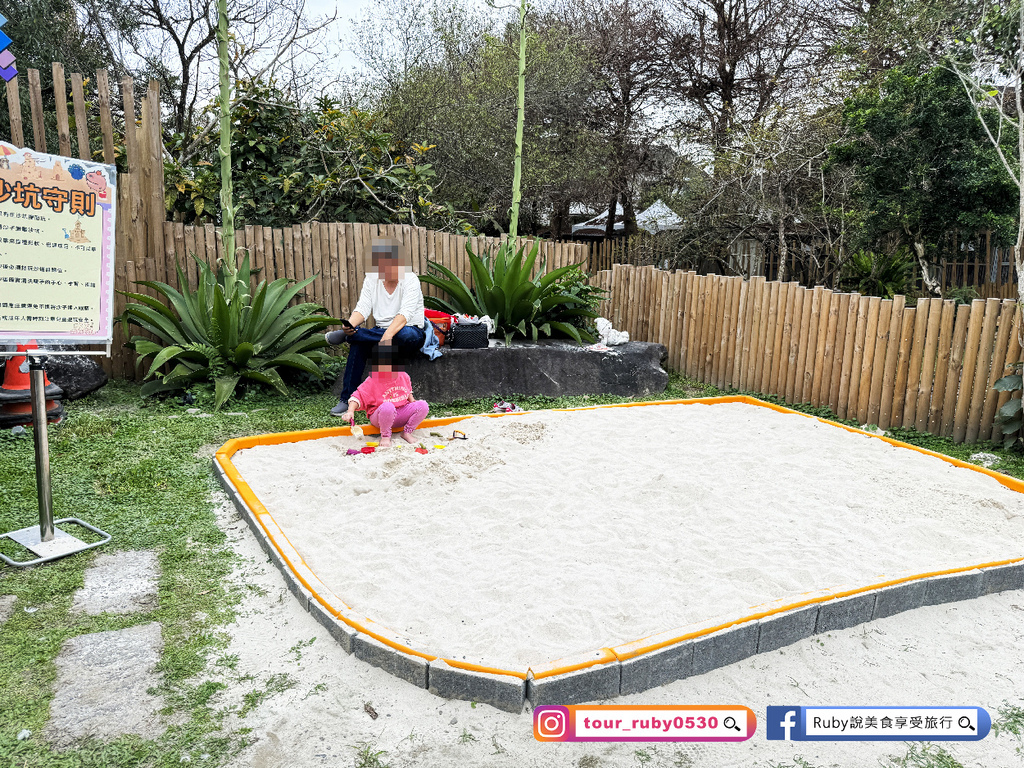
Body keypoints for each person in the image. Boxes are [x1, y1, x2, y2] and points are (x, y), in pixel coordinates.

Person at [327, 239, 427, 416]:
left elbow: (405, 314)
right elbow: (362, 308)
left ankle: (356, 335)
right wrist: (350, 325)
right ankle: (346, 399)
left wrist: (387, 336)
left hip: (409, 332)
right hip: (380, 332)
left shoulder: (411, 280)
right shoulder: (372, 279)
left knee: (403, 335)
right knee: (358, 344)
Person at [338, 345, 429, 448]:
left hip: (401, 413)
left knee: (423, 405)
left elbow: (407, 391)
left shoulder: (403, 375)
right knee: (388, 407)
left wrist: (413, 401)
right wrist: (350, 412)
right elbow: (357, 396)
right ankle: (385, 436)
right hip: (381, 415)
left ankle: (407, 432)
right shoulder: (373, 380)